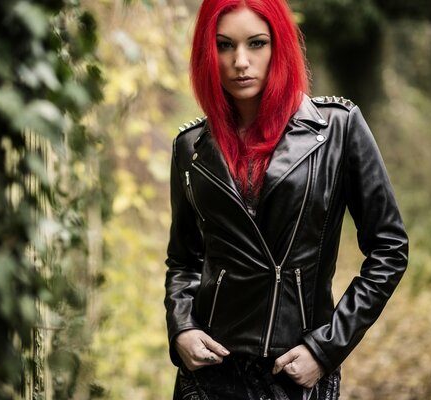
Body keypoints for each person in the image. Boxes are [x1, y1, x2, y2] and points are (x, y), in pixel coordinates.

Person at [164, 0, 409, 399]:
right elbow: (185, 260)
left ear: (280, 46)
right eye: (224, 45)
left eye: (256, 43)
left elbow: (389, 249)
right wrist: (183, 328)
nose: (240, 61)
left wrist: (326, 348)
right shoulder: (190, 147)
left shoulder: (337, 128)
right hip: (209, 372)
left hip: (296, 370)